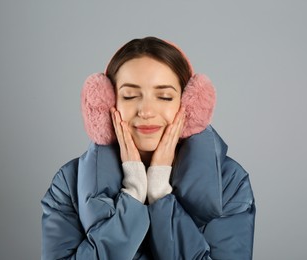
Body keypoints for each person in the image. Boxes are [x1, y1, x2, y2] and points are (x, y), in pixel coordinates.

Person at [41, 36, 255, 259]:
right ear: (106, 105)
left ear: (190, 106)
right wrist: (133, 194)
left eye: (164, 96)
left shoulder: (230, 182)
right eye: (130, 96)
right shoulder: (68, 183)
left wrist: (160, 193)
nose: (146, 111)